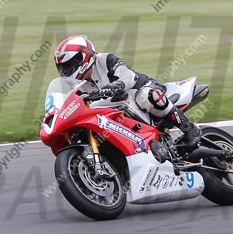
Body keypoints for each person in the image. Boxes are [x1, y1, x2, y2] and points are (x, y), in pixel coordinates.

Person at [54, 34, 201, 149]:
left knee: (147, 96)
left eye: (70, 65)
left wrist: (115, 86)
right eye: (64, 68)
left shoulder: (105, 60)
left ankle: (188, 129)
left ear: (84, 57)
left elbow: (128, 76)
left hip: (138, 90)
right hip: (115, 111)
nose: (67, 70)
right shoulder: (79, 85)